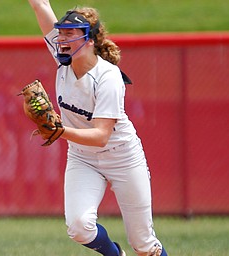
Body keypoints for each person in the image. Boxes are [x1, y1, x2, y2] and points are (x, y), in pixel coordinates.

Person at [27, 1, 168, 255]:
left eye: (71, 33)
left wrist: (59, 131)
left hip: (122, 156)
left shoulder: (108, 76)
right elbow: (40, 5)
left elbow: (102, 136)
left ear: (89, 40)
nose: (62, 38)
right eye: (61, 32)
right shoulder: (64, 61)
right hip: (82, 158)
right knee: (79, 227)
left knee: (144, 244)